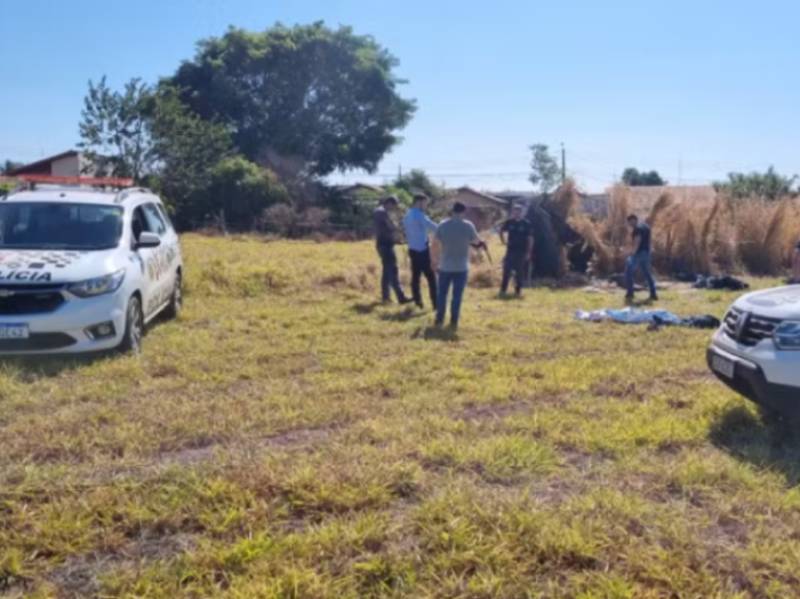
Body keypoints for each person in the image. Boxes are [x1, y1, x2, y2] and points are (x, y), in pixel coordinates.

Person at [434, 202, 486, 329]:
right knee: (457, 296)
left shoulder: (442, 225)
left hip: (445, 266)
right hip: (461, 267)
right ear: (463, 212)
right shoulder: (468, 226)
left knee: (442, 294)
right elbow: (476, 241)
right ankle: (453, 321)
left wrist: (434, 261)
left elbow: (434, 244)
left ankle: (439, 319)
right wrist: (481, 243)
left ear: (452, 211)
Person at [402, 193, 439, 309]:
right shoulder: (419, 215)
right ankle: (436, 304)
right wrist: (446, 229)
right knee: (431, 278)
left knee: (415, 277)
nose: (426, 206)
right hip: (422, 250)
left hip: (412, 249)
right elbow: (432, 227)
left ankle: (418, 302)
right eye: (425, 203)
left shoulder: (407, 215)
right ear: (419, 202)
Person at [374, 195, 411, 304]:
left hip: (385, 244)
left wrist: (397, 238)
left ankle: (386, 297)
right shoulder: (381, 212)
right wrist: (398, 230)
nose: (394, 208)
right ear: (389, 203)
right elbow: (390, 227)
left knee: (387, 272)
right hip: (384, 245)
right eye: (394, 206)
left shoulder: (380, 212)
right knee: (393, 271)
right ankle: (401, 297)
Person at [499, 204, 534, 297]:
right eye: (514, 211)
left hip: (521, 251)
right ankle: (503, 290)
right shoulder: (509, 222)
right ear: (512, 212)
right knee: (506, 270)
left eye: (518, 211)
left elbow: (530, 238)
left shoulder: (526, 223)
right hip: (510, 250)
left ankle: (518, 291)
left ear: (521, 213)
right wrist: (503, 241)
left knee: (519, 272)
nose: (516, 213)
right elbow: (501, 231)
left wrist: (528, 252)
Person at [624, 214, 658, 302]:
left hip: (638, 253)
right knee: (647, 273)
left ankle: (630, 293)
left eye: (630, 222)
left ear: (633, 220)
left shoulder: (637, 229)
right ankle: (653, 293)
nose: (630, 224)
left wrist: (632, 253)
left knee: (628, 271)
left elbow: (637, 241)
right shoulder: (646, 227)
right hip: (646, 253)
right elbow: (649, 240)